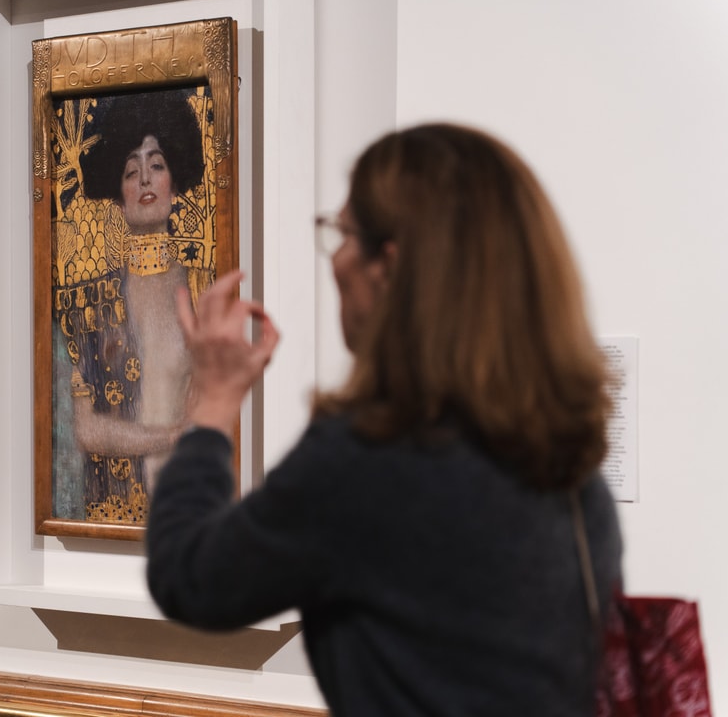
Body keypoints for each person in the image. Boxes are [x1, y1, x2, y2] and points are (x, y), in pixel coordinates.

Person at [146, 123, 623, 715]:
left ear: (388, 268)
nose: (336, 259)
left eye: (343, 234)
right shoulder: (572, 468)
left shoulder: (370, 462)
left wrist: (215, 401)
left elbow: (191, 579)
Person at [64, 88, 211, 520]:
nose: (145, 179)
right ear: (118, 192)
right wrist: (172, 435)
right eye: (132, 170)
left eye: (157, 165)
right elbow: (87, 430)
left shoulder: (204, 290)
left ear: (175, 182)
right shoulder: (91, 303)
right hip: (113, 515)